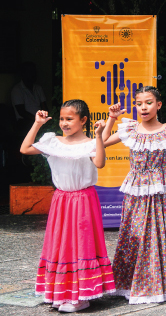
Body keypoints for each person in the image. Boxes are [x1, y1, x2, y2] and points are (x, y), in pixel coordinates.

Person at [102, 86, 166, 304]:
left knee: (157, 235)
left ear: (158, 105)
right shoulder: (130, 129)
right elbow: (100, 143)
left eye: (148, 102)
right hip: (136, 190)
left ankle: (158, 285)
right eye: (139, 103)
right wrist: (111, 119)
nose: (143, 107)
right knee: (133, 236)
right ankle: (131, 284)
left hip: (158, 190)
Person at [20, 100, 115, 312]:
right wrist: (37, 124)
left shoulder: (90, 142)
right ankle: (60, 292)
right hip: (61, 200)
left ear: (83, 120)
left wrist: (99, 136)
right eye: (62, 118)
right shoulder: (52, 141)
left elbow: (99, 163)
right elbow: (25, 149)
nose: (64, 123)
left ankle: (81, 296)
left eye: (69, 119)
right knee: (60, 244)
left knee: (81, 244)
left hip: (83, 200)